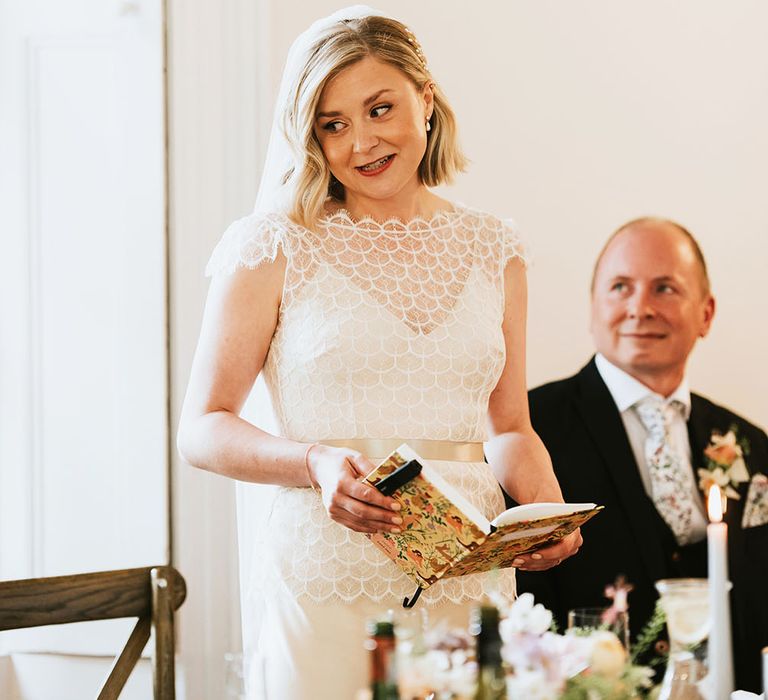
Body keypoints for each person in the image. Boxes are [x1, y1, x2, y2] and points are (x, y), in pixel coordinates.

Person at [177, 7, 580, 698]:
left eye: (379, 107)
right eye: (332, 124)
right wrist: (314, 462)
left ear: (425, 98)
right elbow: (202, 428)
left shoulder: (495, 249)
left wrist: (546, 509)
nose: (361, 141)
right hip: (323, 583)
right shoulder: (274, 244)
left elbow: (509, 426)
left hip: (468, 579)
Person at [515, 217, 768, 692]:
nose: (639, 308)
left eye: (665, 288)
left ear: (707, 314)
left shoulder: (751, 444)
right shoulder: (528, 429)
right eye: (620, 287)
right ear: (593, 310)